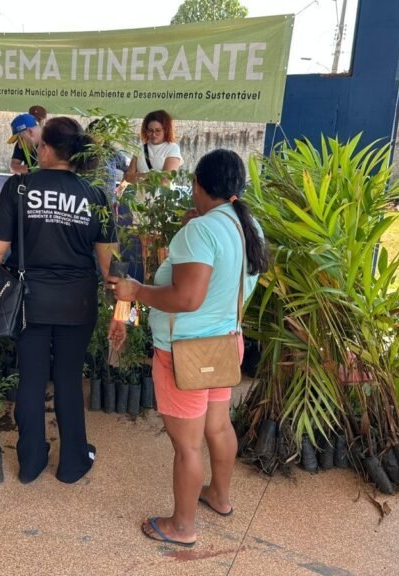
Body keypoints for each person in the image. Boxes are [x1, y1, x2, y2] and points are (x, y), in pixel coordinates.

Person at [109, 149, 268, 547]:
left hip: (186, 353)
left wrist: (136, 291)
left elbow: (187, 298)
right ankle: (220, 496)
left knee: (187, 444)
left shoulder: (200, 231)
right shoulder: (248, 226)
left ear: (198, 184)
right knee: (218, 427)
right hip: (226, 344)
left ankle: (182, 526)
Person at [0, 117, 126, 484]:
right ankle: (74, 461)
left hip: (31, 302)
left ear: (45, 149)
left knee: (31, 378)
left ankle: (31, 462)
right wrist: (122, 315)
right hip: (78, 301)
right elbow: (113, 267)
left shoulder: (20, 188)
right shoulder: (97, 196)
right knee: (69, 379)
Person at [123, 109, 183, 182]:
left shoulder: (172, 148)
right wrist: (152, 175)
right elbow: (129, 177)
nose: (153, 134)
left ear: (166, 130)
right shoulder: (140, 148)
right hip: (140, 193)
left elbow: (166, 180)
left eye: (158, 130)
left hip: (163, 193)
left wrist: (139, 176)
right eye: (150, 130)